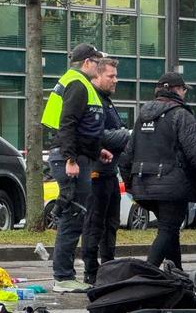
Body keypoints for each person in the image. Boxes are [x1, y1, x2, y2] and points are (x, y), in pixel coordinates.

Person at [120, 72, 196, 270]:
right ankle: (147, 273)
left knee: (171, 229)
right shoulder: (180, 115)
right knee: (167, 228)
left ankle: (177, 273)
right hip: (171, 186)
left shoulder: (142, 116)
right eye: (183, 89)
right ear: (175, 90)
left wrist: (129, 182)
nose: (184, 93)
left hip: (142, 184)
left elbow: (128, 153)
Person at [41, 43, 112, 293]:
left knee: (74, 215)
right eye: (97, 61)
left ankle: (65, 275)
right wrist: (71, 159)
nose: (100, 65)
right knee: (73, 217)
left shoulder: (78, 83)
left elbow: (82, 127)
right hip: (70, 159)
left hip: (77, 156)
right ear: (87, 63)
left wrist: (95, 151)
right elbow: (68, 123)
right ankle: (63, 277)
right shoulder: (78, 85)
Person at [81, 58, 129, 285]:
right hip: (96, 172)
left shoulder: (107, 101)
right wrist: (127, 135)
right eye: (111, 76)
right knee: (95, 223)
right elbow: (98, 136)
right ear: (97, 76)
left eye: (116, 75)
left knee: (111, 223)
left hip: (110, 172)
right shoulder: (94, 101)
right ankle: (91, 271)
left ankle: (108, 268)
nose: (115, 80)